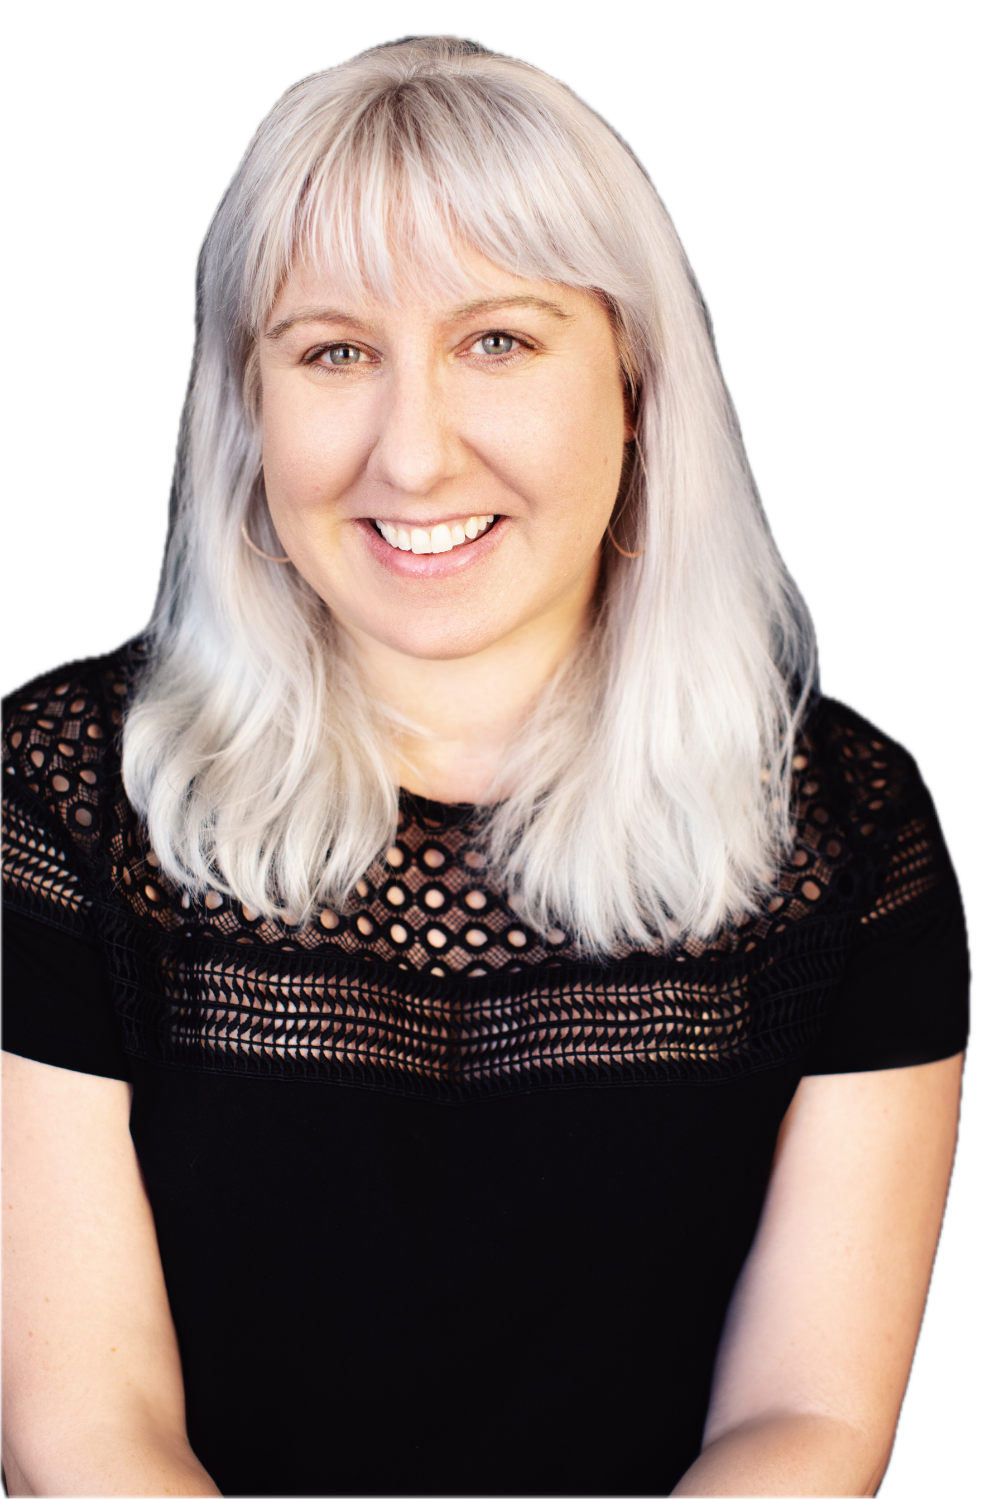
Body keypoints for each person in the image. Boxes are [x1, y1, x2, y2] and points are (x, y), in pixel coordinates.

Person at [0, 33, 971, 1499]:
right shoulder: (60, 788)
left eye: (497, 342)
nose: (412, 455)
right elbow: (83, 1425)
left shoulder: (844, 820)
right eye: (334, 352)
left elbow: (806, 1418)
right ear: (244, 408)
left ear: (634, 386)